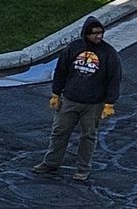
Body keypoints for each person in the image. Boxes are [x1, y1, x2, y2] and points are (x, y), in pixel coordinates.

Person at [35, 16, 121, 182]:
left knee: (88, 136)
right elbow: (61, 70)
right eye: (95, 33)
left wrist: (109, 103)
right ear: (86, 34)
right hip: (70, 100)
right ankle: (51, 163)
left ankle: (82, 169)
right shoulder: (73, 48)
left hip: (94, 105)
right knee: (59, 131)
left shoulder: (109, 53)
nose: (99, 36)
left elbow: (114, 78)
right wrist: (56, 93)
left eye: (101, 33)